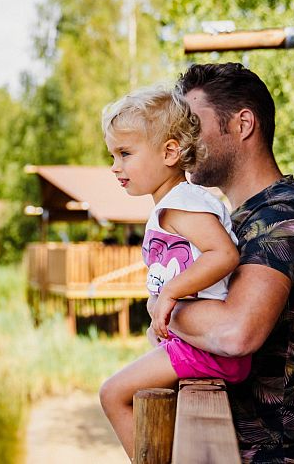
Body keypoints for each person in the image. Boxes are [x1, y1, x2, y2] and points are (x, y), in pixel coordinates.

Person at [155, 62, 294, 463]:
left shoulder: (286, 216)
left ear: (242, 124)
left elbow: (235, 332)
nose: (180, 139)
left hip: (286, 454)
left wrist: (161, 305)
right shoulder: (235, 222)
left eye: (191, 124)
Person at [97, 86, 251, 459]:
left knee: (112, 394)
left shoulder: (182, 204)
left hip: (208, 348)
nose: (115, 166)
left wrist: (169, 293)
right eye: (113, 155)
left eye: (125, 154)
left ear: (169, 153)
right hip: (195, 344)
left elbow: (224, 254)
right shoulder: (176, 204)